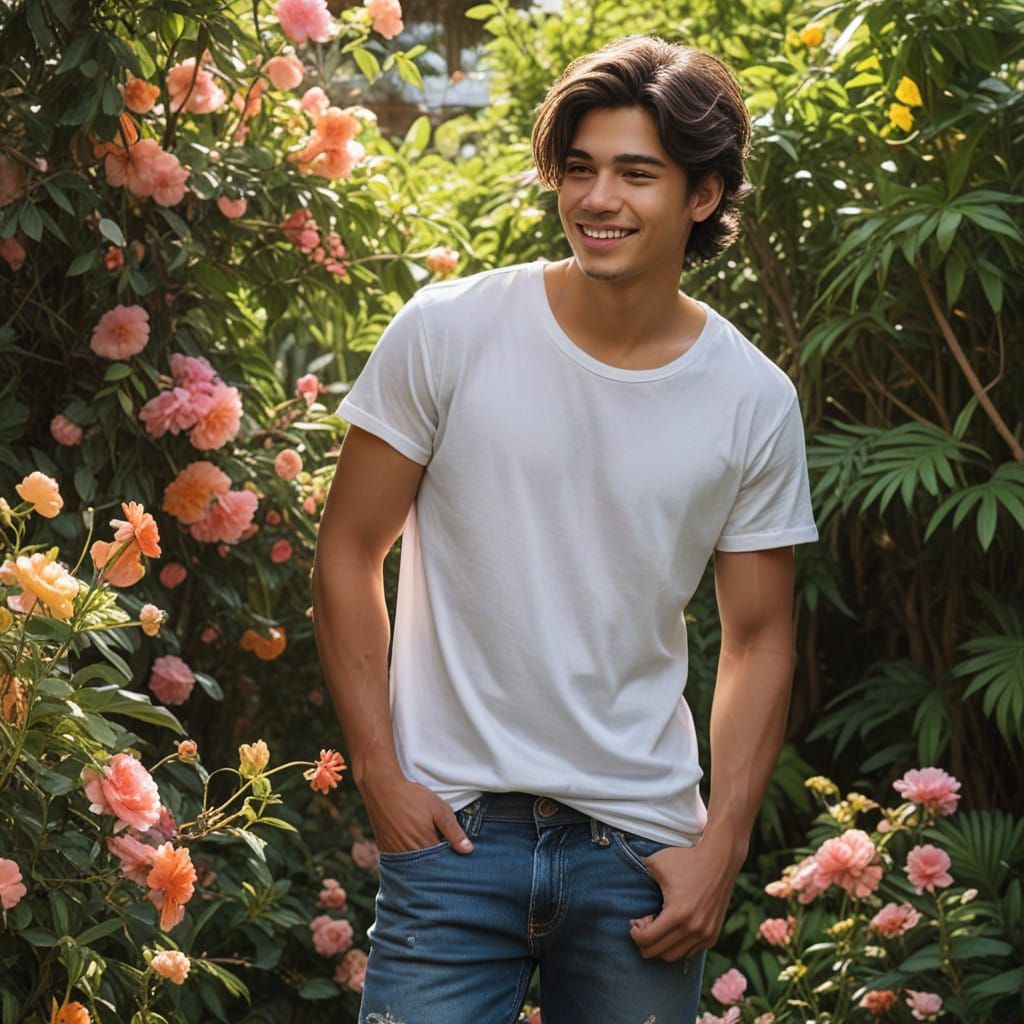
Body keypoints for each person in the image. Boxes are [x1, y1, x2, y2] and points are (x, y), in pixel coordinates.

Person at [312, 34, 818, 1024]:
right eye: (579, 169)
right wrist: (379, 770)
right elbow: (347, 551)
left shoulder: (751, 400)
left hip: (637, 848)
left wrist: (722, 843)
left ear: (702, 195)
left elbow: (758, 634)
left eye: (637, 173)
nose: (598, 199)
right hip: (452, 833)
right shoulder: (450, 331)